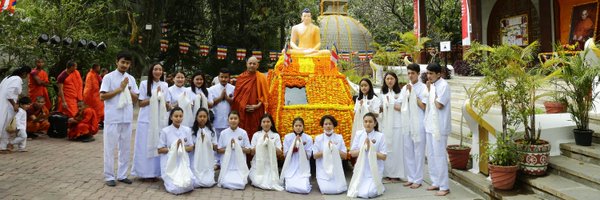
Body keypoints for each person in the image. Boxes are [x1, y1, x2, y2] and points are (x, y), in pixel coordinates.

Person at [100, 51, 139, 187]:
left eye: (127, 63)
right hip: (112, 117)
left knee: (125, 148)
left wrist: (129, 90)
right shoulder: (108, 77)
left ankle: (122, 175)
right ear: (117, 62)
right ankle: (109, 175)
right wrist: (119, 89)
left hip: (127, 118)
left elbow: (136, 99)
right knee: (110, 148)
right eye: (122, 62)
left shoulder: (131, 79)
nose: (125, 65)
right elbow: (102, 96)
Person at [132, 63, 170, 180]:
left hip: (159, 120)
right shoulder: (144, 84)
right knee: (144, 146)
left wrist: (165, 101)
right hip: (146, 120)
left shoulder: (165, 85)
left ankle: (155, 172)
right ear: (151, 71)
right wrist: (154, 96)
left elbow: (167, 104)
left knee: (157, 145)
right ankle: (143, 173)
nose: (157, 71)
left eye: (160, 69)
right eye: (155, 69)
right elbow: (141, 103)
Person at [424, 63, 451, 196]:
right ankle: (436, 182)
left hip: (439, 127)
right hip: (430, 125)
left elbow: (439, 104)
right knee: (431, 155)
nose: (428, 76)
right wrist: (430, 90)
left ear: (438, 74)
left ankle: (444, 186)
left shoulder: (444, 86)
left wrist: (431, 92)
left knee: (439, 156)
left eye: (431, 74)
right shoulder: (433, 86)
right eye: (427, 73)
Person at [348, 113, 387, 198]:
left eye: (370, 121)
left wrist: (371, 149)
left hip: (374, 170)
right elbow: (352, 153)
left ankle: (379, 185)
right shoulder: (359, 134)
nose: (368, 124)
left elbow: (384, 157)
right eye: (365, 121)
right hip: (361, 170)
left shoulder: (380, 136)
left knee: (369, 193)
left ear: (375, 123)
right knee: (356, 191)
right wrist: (363, 148)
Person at [157, 107, 195, 195]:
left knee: (189, 184)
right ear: (171, 117)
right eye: (176, 116)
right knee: (175, 188)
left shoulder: (187, 130)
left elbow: (191, 147)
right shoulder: (165, 131)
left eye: (180, 116)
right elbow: (160, 150)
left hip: (182, 161)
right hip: (170, 162)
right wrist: (174, 148)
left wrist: (181, 147)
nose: (178, 118)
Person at [401, 64, 427, 189]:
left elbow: (423, 106)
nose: (410, 76)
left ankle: (418, 179)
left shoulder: (422, 88)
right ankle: (411, 177)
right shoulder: (405, 88)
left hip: (419, 123)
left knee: (418, 152)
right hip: (407, 123)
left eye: (413, 73)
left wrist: (413, 94)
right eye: (409, 73)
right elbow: (400, 104)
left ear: (418, 74)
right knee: (408, 151)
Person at [232, 57, 269, 138]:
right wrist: (243, 106)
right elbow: (237, 96)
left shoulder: (262, 77)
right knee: (243, 132)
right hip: (244, 111)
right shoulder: (241, 77)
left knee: (257, 130)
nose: (252, 65)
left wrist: (257, 105)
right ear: (246, 64)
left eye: (254, 64)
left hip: (257, 111)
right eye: (250, 63)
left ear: (257, 65)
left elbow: (265, 95)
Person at [312, 115, 347, 194]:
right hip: (322, 170)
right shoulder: (318, 138)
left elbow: (344, 156)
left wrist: (334, 148)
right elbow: (315, 156)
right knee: (326, 190)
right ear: (322, 125)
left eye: (330, 124)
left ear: (334, 125)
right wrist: (326, 149)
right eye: (326, 124)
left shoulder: (339, 137)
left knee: (339, 190)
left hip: (336, 171)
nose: (328, 126)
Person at [380, 72, 405, 183]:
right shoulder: (382, 94)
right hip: (385, 125)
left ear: (395, 80)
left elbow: (402, 108)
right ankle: (387, 173)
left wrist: (391, 103)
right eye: (387, 78)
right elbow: (379, 109)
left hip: (397, 125)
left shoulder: (400, 93)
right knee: (387, 149)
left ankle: (396, 174)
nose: (389, 81)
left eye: (392, 78)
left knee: (396, 150)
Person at [217, 111, 251, 190]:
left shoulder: (243, 133)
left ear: (239, 120)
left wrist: (237, 146)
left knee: (241, 184)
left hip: (239, 167)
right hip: (227, 166)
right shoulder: (223, 133)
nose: (233, 120)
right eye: (231, 118)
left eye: (235, 118)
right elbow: (219, 150)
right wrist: (229, 147)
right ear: (228, 120)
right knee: (225, 183)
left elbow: (248, 150)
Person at [0, 66, 31, 153]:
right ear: (24, 73)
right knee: (7, 125)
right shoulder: (17, 79)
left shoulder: (8, 77)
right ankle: (2, 147)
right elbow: (9, 93)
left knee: (4, 124)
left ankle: (3, 145)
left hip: (3, 103)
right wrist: (15, 104)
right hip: (8, 105)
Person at [249, 114, 283, 191]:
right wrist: (261, 142)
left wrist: (269, 143)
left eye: (268, 122)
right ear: (261, 124)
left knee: (271, 182)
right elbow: (251, 152)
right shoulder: (256, 135)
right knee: (257, 181)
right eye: (263, 122)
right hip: (258, 164)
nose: (266, 124)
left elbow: (279, 152)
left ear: (271, 124)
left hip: (270, 165)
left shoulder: (275, 135)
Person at [280, 117, 313, 194]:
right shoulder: (288, 137)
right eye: (296, 126)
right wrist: (294, 146)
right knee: (290, 187)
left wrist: (301, 146)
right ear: (293, 127)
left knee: (304, 188)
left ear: (303, 127)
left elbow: (308, 156)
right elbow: (285, 154)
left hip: (303, 167)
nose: (298, 128)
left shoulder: (308, 138)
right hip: (291, 166)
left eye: (300, 126)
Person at [191, 108, 217, 188]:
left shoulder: (212, 130)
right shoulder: (192, 131)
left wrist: (208, 141)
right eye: (200, 116)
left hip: (208, 158)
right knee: (195, 181)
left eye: (204, 116)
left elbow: (215, 146)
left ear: (207, 118)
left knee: (208, 182)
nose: (202, 118)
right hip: (196, 158)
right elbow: (191, 146)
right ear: (196, 117)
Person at [351, 78, 381, 145]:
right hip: (359, 124)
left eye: (365, 85)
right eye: (362, 86)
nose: (363, 87)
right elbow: (355, 112)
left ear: (370, 86)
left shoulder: (375, 99)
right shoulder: (358, 99)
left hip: (369, 125)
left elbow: (376, 114)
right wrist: (360, 107)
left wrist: (366, 107)